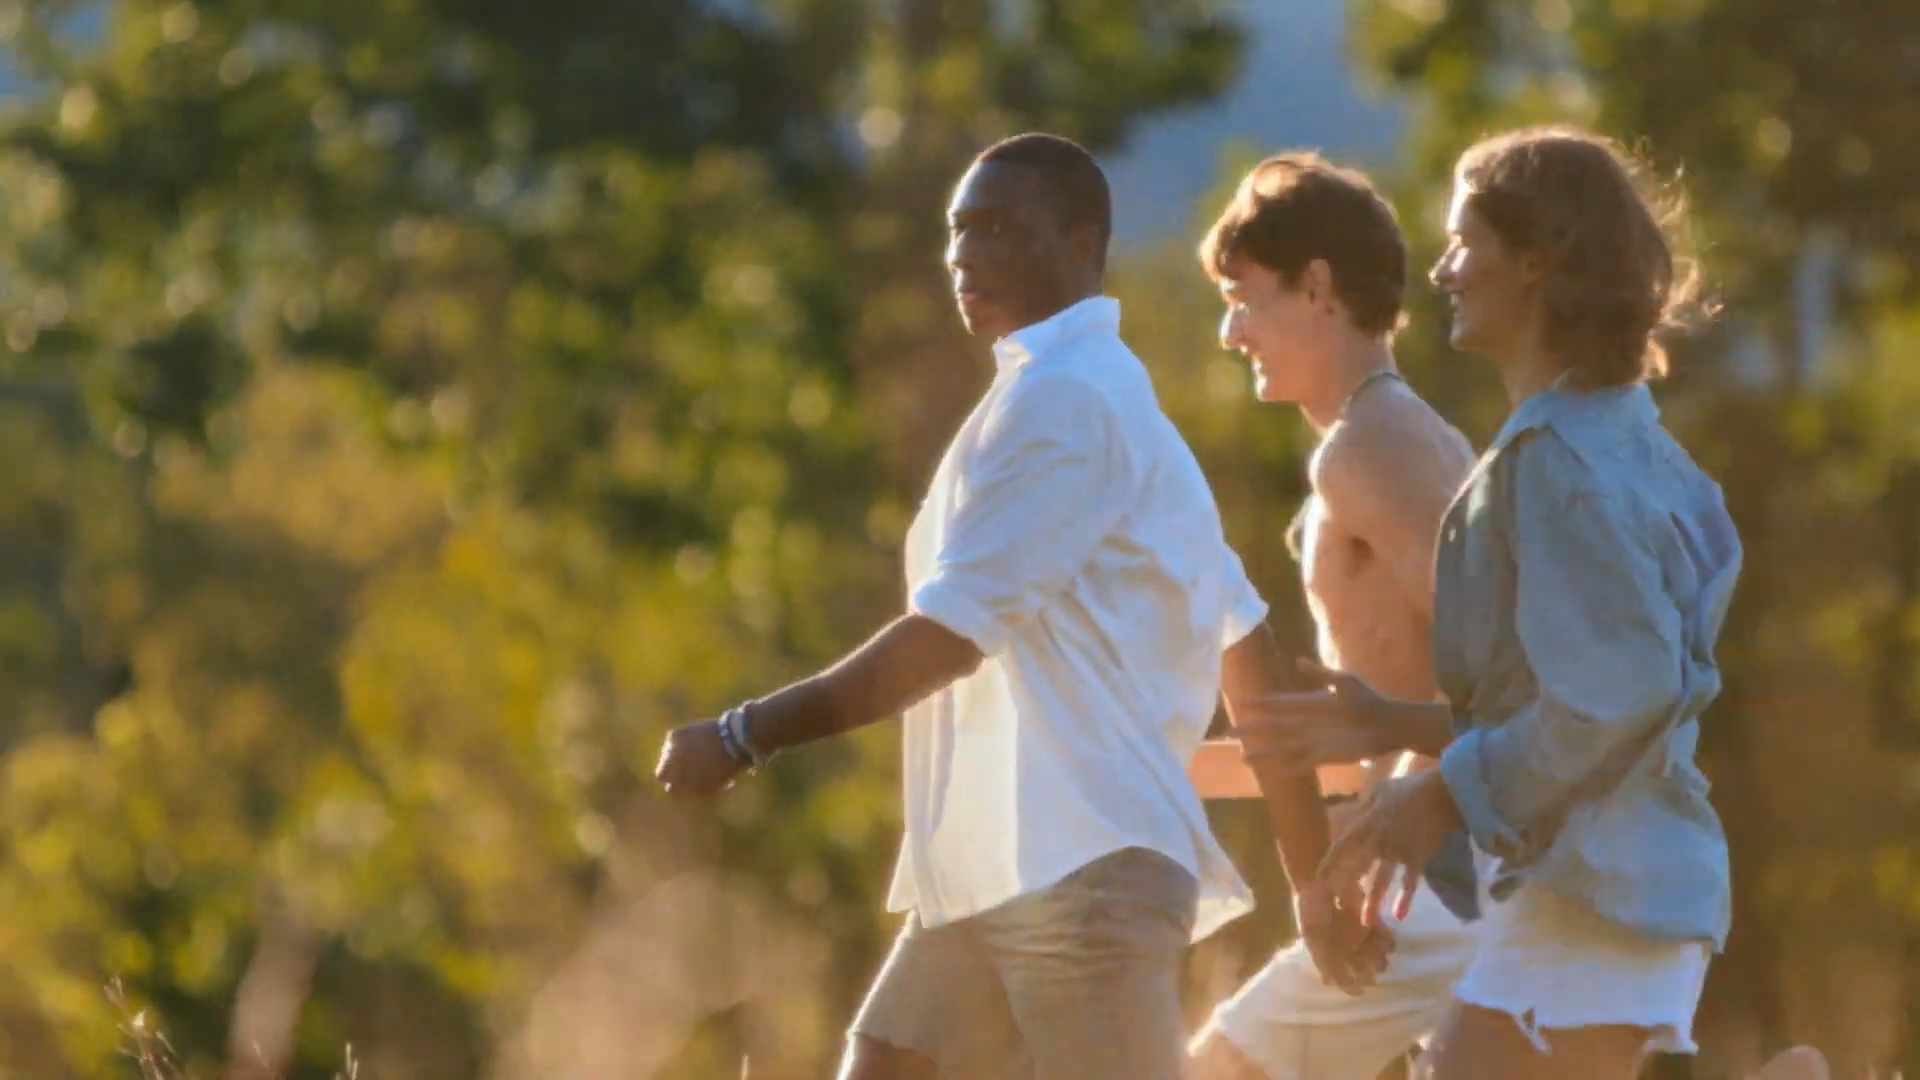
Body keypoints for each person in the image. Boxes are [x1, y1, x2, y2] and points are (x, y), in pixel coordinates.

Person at [654, 132, 1362, 1080]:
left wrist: (746, 734)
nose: (962, 253)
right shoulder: (1083, 396)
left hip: (1085, 875)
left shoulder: (1070, 401)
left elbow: (949, 639)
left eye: (995, 228)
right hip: (999, 872)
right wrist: (1310, 876)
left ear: (1079, 244)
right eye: (957, 229)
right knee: (885, 1063)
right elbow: (1247, 642)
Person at [1260, 125, 1741, 1079]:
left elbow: (1620, 694)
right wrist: (1389, 721)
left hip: (1600, 898)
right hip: (1606, 884)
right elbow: (1583, 695)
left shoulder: (1557, 463)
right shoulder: (1621, 436)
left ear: (1535, 260)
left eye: (1462, 243)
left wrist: (1441, 791)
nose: (1442, 272)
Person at [1178, 152, 1480, 1080]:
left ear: (1316, 288)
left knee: (1216, 1071)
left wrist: (1389, 825)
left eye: (1243, 298)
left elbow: (1506, 677)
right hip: (1438, 861)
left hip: (1447, 871)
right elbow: (1385, 708)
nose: (1230, 332)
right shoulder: (1393, 436)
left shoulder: (1369, 447)